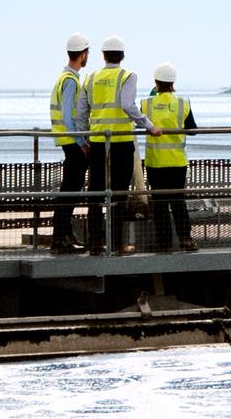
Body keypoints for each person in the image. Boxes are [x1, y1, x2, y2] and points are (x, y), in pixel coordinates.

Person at [84, 35, 151, 255]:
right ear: (122, 56)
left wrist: (83, 138)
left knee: (95, 193)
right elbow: (128, 105)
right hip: (121, 141)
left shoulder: (91, 78)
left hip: (96, 141)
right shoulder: (127, 76)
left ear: (103, 56)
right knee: (119, 194)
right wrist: (148, 124)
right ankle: (116, 244)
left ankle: (95, 243)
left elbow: (81, 111)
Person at [143, 63, 199, 253]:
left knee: (159, 203)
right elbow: (192, 130)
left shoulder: (146, 104)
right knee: (177, 201)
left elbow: (142, 122)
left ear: (156, 83)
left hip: (155, 162)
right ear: (173, 83)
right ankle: (185, 240)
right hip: (176, 162)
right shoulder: (182, 103)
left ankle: (164, 243)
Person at [47, 33, 91, 254]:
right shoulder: (71, 81)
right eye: (87, 54)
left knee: (69, 189)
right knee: (70, 190)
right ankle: (61, 238)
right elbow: (67, 116)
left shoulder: (64, 78)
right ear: (83, 54)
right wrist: (82, 141)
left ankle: (64, 235)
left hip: (66, 140)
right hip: (72, 142)